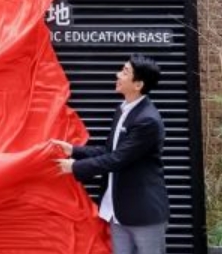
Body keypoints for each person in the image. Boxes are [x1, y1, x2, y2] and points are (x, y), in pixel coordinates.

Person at [52, 53, 169, 254]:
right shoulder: (123, 110)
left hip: (143, 213)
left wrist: (75, 167)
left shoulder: (147, 120)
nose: (117, 75)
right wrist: (74, 151)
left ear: (138, 84)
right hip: (118, 211)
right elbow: (110, 150)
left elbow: (118, 159)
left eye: (125, 72)